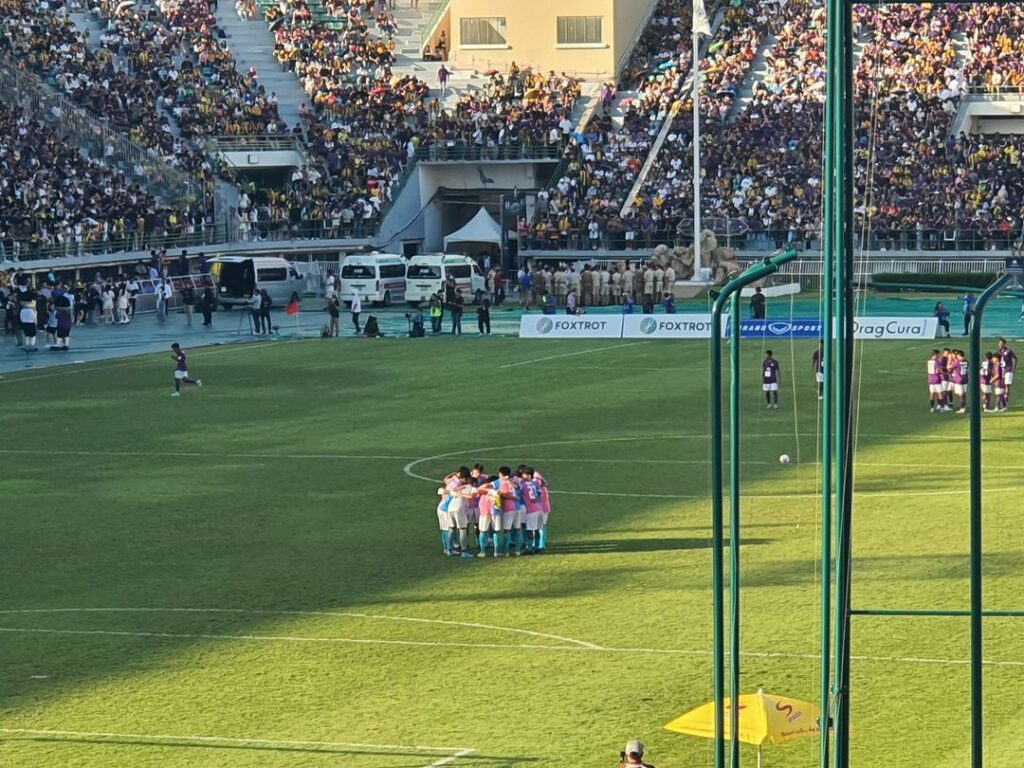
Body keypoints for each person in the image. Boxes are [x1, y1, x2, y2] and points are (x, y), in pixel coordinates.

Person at [997, 337, 1017, 407]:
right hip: (1002, 370)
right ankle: (1002, 401)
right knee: (1001, 386)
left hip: (1008, 370)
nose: (999, 344)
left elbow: (1015, 358)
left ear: (1004, 344)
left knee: (1007, 385)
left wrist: (1014, 368)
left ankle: (1006, 400)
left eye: (1001, 343)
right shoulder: (999, 352)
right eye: (999, 343)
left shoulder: (1009, 351)